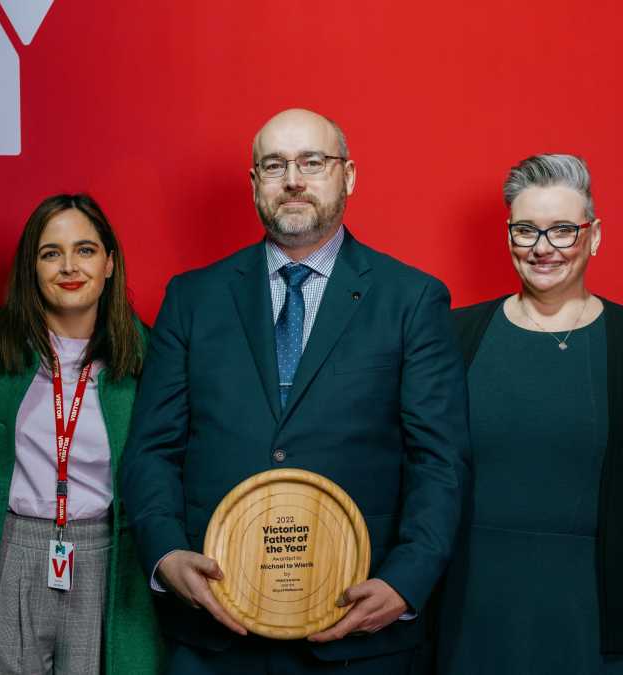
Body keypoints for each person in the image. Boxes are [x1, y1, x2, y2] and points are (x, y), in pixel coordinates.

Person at [118, 108, 469, 674]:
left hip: (358, 633)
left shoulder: (412, 300)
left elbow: (440, 461)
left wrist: (406, 583)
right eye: (275, 164)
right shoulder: (192, 299)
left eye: (313, 161)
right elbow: (151, 449)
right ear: (255, 183)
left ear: (348, 176)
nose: (294, 179)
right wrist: (164, 554)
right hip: (215, 633)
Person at [437, 154, 623, 673]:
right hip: (472, 613)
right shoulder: (449, 338)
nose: (542, 249)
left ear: (594, 235)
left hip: (609, 623)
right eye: (525, 231)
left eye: (562, 230)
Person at [0, 193, 162, 674]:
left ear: (109, 263)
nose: (70, 265)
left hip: (105, 551)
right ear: (32, 267)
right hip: (11, 543)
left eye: (85, 250)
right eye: (51, 253)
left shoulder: (146, 353)